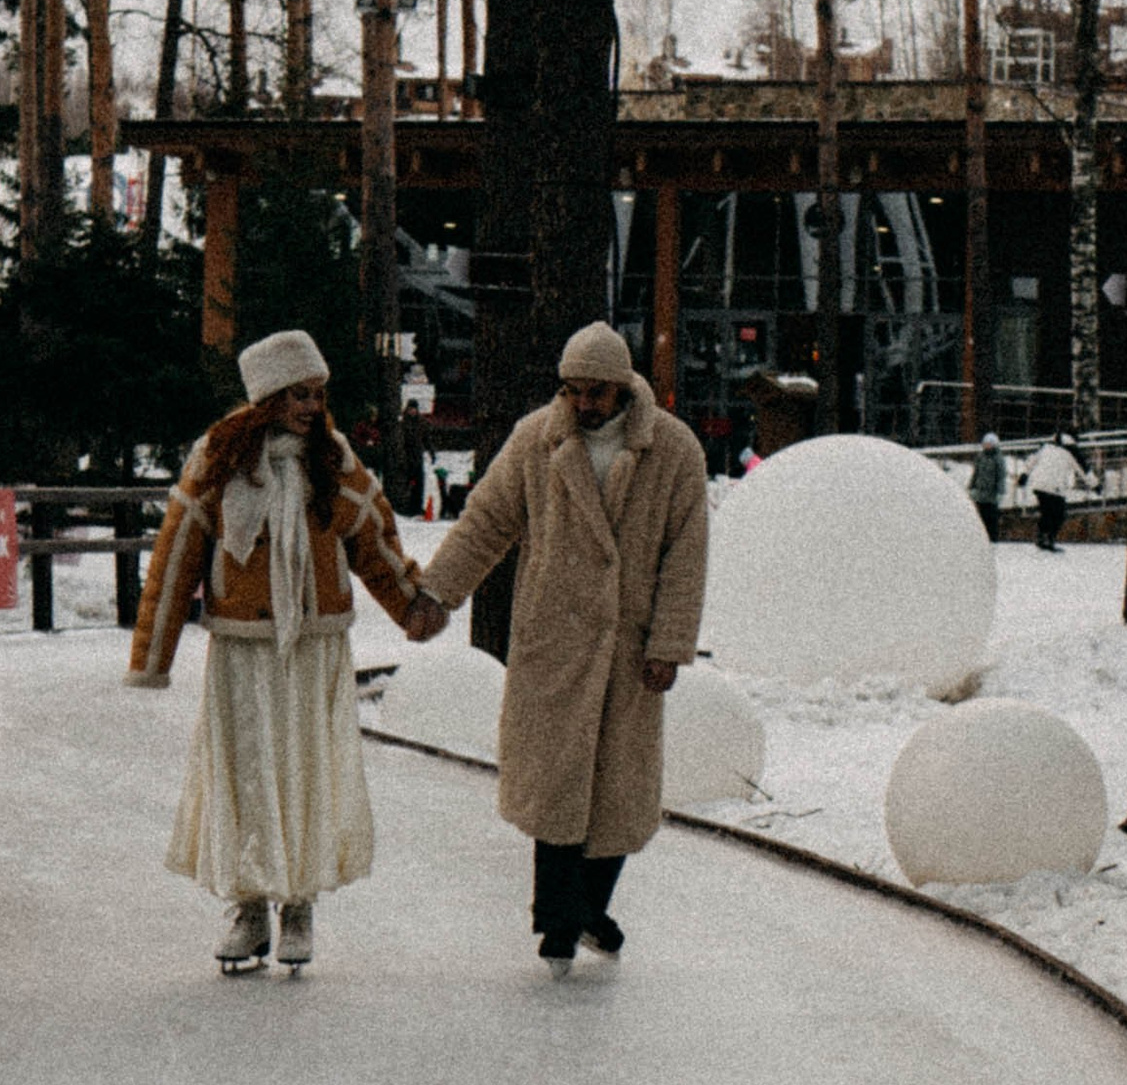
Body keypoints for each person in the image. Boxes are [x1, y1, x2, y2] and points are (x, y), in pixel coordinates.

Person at [128, 326, 447, 974]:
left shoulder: (333, 459)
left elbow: (376, 539)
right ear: (267, 396)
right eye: (297, 394)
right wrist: (151, 652)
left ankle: (297, 904)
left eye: (316, 394)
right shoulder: (218, 457)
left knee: (301, 771)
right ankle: (248, 907)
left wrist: (412, 604)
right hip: (242, 645)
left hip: (312, 644)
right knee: (245, 774)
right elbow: (177, 551)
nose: (309, 406)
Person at [415, 318, 709, 974]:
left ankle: (584, 911)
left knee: (616, 790)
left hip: (628, 649)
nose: (583, 405)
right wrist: (438, 593)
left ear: (624, 387)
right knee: (556, 784)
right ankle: (557, 922)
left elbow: (686, 557)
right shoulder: (535, 441)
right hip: (554, 639)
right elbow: (486, 522)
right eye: (573, 390)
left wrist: (669, 643)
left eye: (596, 393)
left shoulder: (675, 451)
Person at [1025, 428, 1089, 553]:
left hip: (1039, 484)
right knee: (1058, 514)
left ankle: (1041, 537)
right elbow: (1084, 470)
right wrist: (1096, 485)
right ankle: (1049, 539)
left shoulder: (1046, 447)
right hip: (1056, 487)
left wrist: (1024, 475)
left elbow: (1031, 460)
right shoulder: (1072, 451)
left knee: (1046, 512)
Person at [968, 431, 1006, 541]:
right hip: (980, 493)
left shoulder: (998, 459)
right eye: (985, 444)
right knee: (980, 516)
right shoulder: (980, 457)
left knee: (991, 517)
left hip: (991, 494)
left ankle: (992, 538)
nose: (987, 446)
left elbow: (1001, 476)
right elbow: (976, 473)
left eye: (989, 444)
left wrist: (1000, 491)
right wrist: (972, 487)